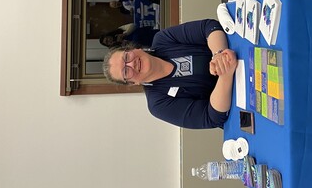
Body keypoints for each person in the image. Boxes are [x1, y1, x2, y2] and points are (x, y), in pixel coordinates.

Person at [102, 19, 238, 129]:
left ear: (133, 49)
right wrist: (225, 75)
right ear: (132, 83)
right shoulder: (158, 104)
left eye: (126, 57)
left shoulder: (163, 39)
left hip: (239, 57)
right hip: (240, 103)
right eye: (126, 71)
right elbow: (211, 117)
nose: (132, 64)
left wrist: (219, 55)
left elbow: (208, 27)